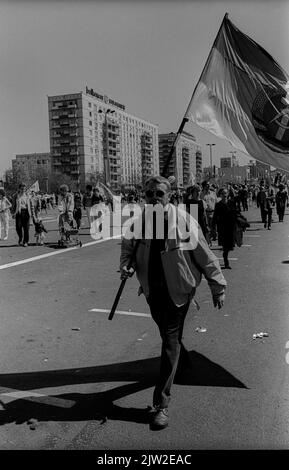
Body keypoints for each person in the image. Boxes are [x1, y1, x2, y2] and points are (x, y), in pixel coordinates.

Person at [120, 176, 226, 430]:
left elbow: (205, 254)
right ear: (143, 197)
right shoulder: (137, 223)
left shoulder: (184, 220)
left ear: (170, 196)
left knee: (168, 339)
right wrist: (126, 266)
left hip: (179, 290)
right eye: (149, 195)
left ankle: (161, 404)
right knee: (169, 335)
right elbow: (127, 251)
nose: (154, 198)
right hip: (151, 290)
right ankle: (182, 356)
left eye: (159, 194)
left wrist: (217, 286)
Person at [212, 188, 237, 269]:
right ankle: (226, 262)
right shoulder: (218, 205)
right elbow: (215, 217)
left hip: (230, 227)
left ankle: (225, 255)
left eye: (226, 193)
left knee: (230, 246)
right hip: (222, 228)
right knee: (225, 246)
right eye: (223, 193)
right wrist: (213, 228)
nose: (225, 195)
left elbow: (235, 214)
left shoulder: (231, 203)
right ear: (220, 195)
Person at [200, 181, 218, 245]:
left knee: (214, 227)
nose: (208, 186)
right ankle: (209, 241)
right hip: (205, 213)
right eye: (206, 185)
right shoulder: (201, 194)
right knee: (207, 228)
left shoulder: (213, 193)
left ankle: (212, 237)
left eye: (208, 185)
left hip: (213, 212)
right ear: (203, 186)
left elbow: (216, 202)